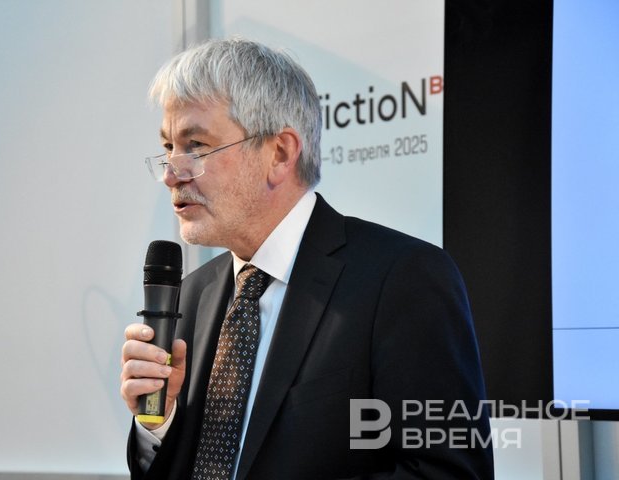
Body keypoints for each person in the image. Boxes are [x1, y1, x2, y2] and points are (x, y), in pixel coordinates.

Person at [120, 37, 494, 479]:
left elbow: (450, 472)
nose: (171, 173)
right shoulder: (194, 294)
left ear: (279, 154)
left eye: (196, 145)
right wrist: (156, 426)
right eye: (168, 148)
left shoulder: (403, 279)